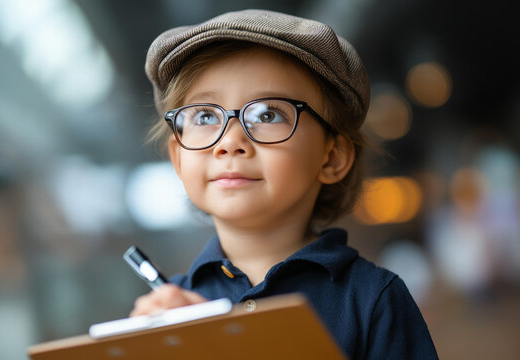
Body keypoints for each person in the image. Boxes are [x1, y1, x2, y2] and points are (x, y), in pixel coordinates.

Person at [131, 9, 438, 359]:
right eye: (204, 116)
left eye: (267, 114)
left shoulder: (373, 298)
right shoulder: (168, 311)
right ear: (178, 158)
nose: (229, 142)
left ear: (332, 157)